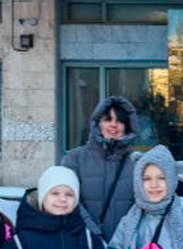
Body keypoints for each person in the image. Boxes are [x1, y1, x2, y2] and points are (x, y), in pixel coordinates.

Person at [59, 95, 138, 240]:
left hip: (125, 245)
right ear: (97, 124)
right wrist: (94, 234)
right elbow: (68, 200)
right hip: (86, 241)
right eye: (108, 120)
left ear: (127, 127)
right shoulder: (75, 159)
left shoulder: (137, 162)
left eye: (119, 121)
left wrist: (124, 239)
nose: (113, 125)